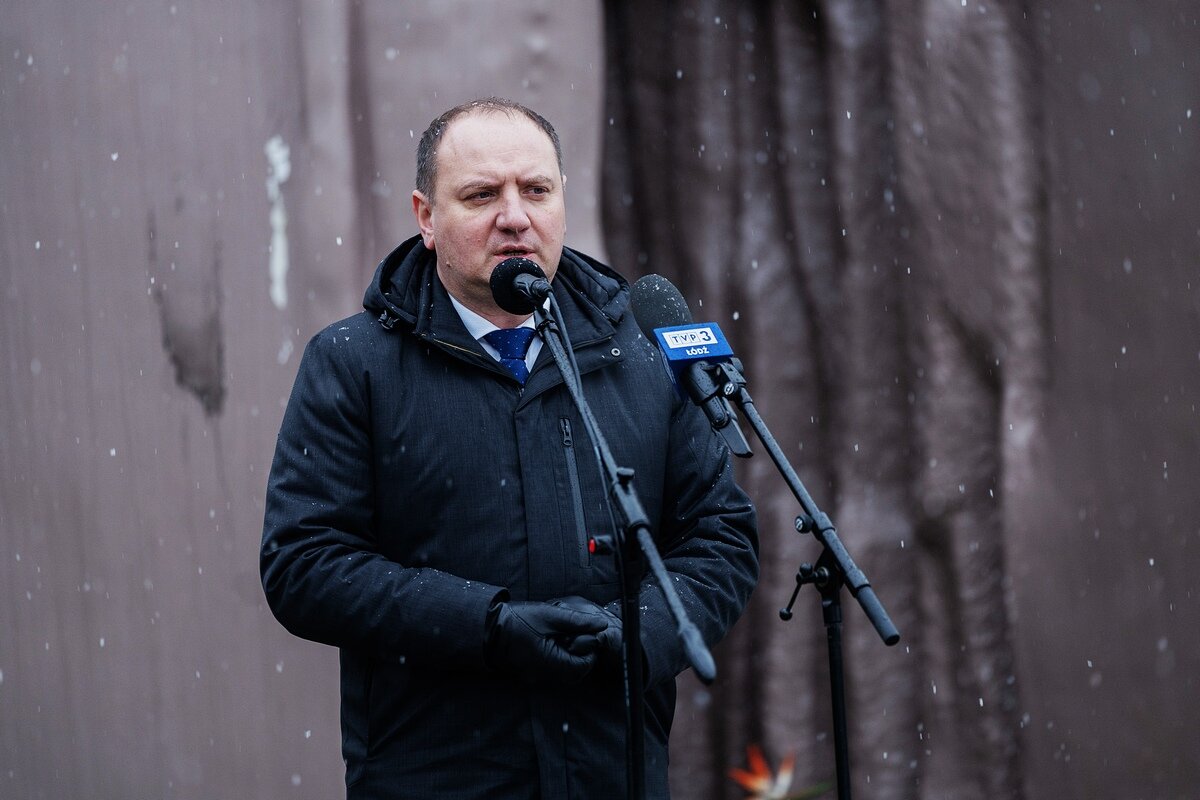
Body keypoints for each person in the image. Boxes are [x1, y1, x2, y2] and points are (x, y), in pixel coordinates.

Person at [261, 97, 758, 799]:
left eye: (536, 190)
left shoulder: (640, 354)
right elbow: (305, 565)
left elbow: (720, 537)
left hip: (611, 771)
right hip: (438, 775)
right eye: (481, 194)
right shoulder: (354, 363)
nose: (515, 216)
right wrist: (491, 626)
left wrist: (637, 636)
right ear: (426, 217)